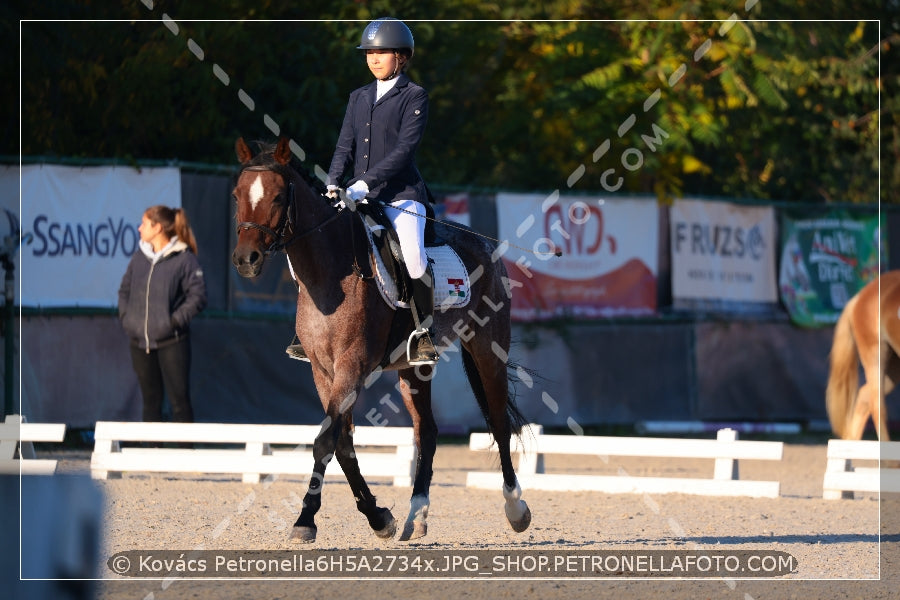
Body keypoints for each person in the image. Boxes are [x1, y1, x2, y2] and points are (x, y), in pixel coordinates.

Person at [287, 16, 438, 366]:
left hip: (402, 196)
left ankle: (423, 332)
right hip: (356, 195)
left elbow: (404, 151)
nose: (372, 58)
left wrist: (364, 184)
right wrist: (333, 183)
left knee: (413, 256)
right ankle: (306, 331)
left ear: (401, 56)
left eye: (381, 52)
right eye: (369, 52)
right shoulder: (358, 97)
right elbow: (344, 146)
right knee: (311, 248)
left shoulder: (414, 96)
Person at [118, 205, 207, 424]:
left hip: (172, 342)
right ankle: (151, 453)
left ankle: (184, 454)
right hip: (140, 343)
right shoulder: (139, 258)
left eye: (145, 223)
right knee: (150, 402)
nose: (139, 229)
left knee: (179, 402)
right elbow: (124, 291)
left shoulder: (184, 259)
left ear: (158, 227)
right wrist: (127, 320)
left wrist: (173, 322)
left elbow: (198, 296)